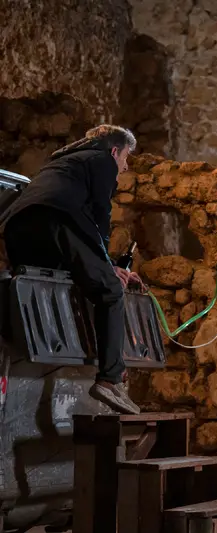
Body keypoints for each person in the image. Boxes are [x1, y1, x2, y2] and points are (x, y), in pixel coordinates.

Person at [1, 125, 144, 415]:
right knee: (110, 291)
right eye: (126, 157)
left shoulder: (62, 163)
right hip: (59, 221)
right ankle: (110, 379)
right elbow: (99, 215)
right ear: (114, 150)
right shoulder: (102, 160)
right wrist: (108, 267)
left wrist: (105, 264)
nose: (126, 165)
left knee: (61, 282)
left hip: (18, 228)